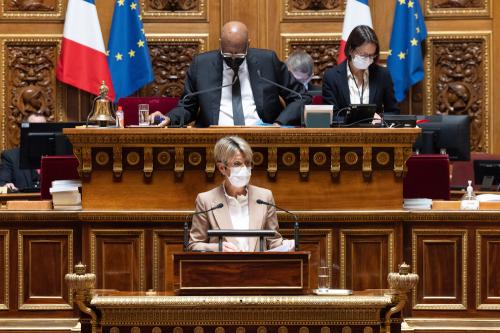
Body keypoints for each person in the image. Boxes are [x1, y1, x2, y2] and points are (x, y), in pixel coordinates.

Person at [152, 21, 309, 127]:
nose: (233, 60)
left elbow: (301, 97)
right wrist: (169, 117)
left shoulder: (268, 61)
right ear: (220, 44)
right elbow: (188, 106)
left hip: (261, 139)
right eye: (228, 55)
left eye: (239, 55)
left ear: (248, 45)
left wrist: (279, 123)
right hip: (215, 141)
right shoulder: (202, 65)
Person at [188, 136, 293, 252]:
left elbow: (274, 242)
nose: (245, 169)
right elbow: (194, 245)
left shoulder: (264, 197)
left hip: (258, 268)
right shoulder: (206, 200)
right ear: (222, 168)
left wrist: (289, 245)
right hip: (223, 268)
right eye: (237, 164)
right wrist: (218, 248)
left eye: (247, 163)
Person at [322, 25, 399, 117]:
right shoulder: (331, 77)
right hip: (344, 130)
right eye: (364, 55)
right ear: (351, 50)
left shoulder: (383, 75)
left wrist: (380, 119)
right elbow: (331, 116)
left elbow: (393, 112)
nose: (368, 60)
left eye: (371, 56)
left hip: (375, 130)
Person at [0, 113, 47, 191]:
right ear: (25, 131)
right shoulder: (10, 157)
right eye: (35, 127)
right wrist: (6, 186)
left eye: (43, 128)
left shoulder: (57, 157)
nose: (39, 132)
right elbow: (2, 183)